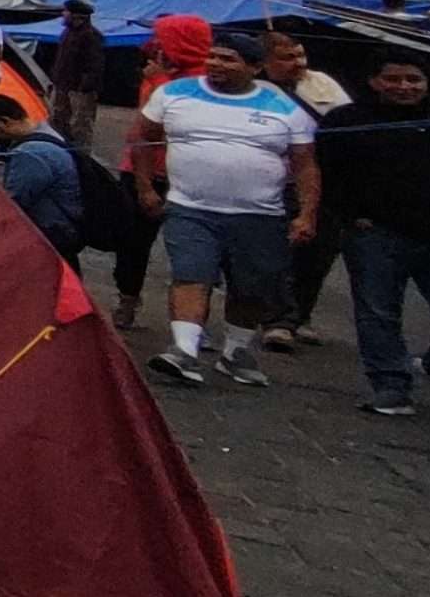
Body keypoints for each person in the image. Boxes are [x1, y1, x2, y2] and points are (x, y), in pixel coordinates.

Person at [130, 32, 322, 389]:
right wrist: (145, 186)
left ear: (255, 67)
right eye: (214, 57)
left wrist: (307, 213)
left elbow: (305, 164)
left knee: (251, 287)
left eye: (229, 59)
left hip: (260, 216)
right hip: (190, 208)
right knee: (191, 274)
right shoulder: (174, 93)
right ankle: (183, 350)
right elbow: (144, 135)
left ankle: (235, 351)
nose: (217, 64)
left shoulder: (283, 106)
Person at [316, 57, 430, 417]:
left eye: (413, 79)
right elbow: (327, 172)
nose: (404, 87)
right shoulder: (347, 121)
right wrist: (349, 214)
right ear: (375, 81)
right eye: (393, 79)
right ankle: (391, 384)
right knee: (377, 311)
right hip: (375, 232)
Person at [112, 13, 213, 328]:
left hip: (184, 176)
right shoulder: (158, 71)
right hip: (141, 170)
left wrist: (156, 81)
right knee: (131, 243)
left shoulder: (210, 83)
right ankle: (127, 299)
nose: (157, 45)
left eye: (164, 38)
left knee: (194, 250)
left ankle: (192, 318)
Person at [255, 32, 355, 347]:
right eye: (287, 57)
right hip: (272, 180)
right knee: (275, 252)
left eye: (301, 55)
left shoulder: (321, 83)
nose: (299, 63)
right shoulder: (252, 89)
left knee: (317, 252)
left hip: (323, 179)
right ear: (264, 62)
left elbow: (346, 123)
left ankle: (301, 315)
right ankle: (278, 319)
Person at [0, 97, 86, 268]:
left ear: (3, 122)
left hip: (53, 230)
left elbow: (15, 198)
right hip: (72, 222)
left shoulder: (29, 153)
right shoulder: (50, 132)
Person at [52, 0, 107, 158]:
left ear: (76, 15)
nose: (63, 14)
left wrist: (84, 87)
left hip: (80, 90)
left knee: (80, 126)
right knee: (58, 121)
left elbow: (95, 66)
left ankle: (82, 160)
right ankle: (61, 154)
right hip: (62, 85)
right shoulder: (67, 33)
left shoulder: (92, 36)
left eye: (66, 12)